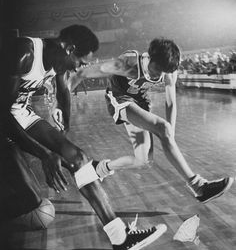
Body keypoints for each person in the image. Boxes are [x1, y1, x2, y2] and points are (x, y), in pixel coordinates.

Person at [0, 25, 167, 250]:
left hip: (20, 114)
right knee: (29, 203)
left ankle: (120, 238)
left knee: (78, 158)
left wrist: (64, 129)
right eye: (80, 61)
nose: (81, 67)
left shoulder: (57, 60)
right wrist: (45, 154)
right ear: (69, 49)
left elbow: (63, 92)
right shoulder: (24, 53)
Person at [68, 38, 234, 203]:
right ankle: (198, 186)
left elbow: (170, 102)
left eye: (164, 72)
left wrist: (171, 133)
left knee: (143, 159)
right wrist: (60, 103)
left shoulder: (169, 70)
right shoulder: (127, 64)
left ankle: (100, 168)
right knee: (162, 128)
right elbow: (81, 73)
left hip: (139, 102)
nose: (160, 75)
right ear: (150, 58)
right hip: (119, 99)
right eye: (157, 69)